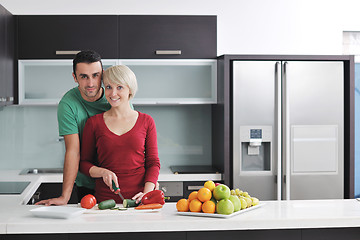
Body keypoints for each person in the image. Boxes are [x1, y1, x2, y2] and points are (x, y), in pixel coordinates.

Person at [36, 50, 112, 205]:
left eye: (95, 75)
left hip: (118, 181)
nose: (90, 83)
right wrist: (65, 196)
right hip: (87, 182)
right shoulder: (68, 104)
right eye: (84, 76)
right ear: (75, 77)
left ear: (103, 74)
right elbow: (73, 151)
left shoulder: (116, 97)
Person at [79, 65, 160, 203]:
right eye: (109, 87)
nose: (113, 93)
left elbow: (153, 163)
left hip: (140, 201)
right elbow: (83, 163)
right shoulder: (94, 123)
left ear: (130, 89)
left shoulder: (147, 121)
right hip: (105, 202)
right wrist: (102, 172)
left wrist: (146, 194)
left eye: (120, 87)